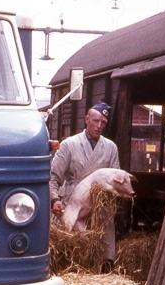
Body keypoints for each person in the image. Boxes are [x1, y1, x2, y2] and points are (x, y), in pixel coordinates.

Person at [50, 102, 120, 272]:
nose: (99, 126)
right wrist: (54, 200)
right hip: (72, 204)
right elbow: (53, 177)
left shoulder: (110, 148)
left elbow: (116, 179)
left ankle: (103, 274)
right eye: (95, 121)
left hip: (99, 209)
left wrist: (107, 197)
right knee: (70, 250)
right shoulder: (69, 144)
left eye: (103, 122)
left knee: (101, 253)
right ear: (86, 119)